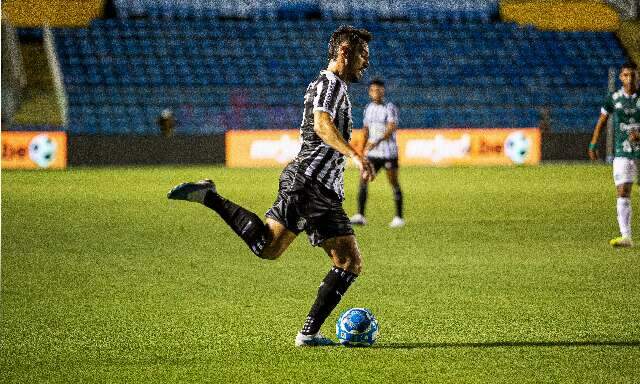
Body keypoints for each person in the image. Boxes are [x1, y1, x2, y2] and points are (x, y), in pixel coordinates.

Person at [167, 25, 374, 346]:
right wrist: (355, 156)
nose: (365, 62)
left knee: (269, 247)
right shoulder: (329, 84)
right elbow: (321, 125)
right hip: (311, 184)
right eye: (362, 55)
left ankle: (210, 197)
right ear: (345, 52)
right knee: (348, 261)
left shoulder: (336, 88)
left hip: (312, 185)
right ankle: (307, 333)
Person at [588, 61, 640, 248]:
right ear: (620, 77)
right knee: (623, 191)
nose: (630, 79)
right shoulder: (613, 98)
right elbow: (602, 121)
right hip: (622, 152)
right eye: (626, 75)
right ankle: (626, 236)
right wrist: (594, 143)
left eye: (633, 75)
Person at [350, 79, 404, 228]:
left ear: (383, 91)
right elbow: (366, 129)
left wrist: (377, 141)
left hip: (388, 153)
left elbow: (391, 127)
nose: (376, 92)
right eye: (373, 90)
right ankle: (360, 215)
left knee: (393, 182)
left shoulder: (389, 107)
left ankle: (399, 217)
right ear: (369, 92)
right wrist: (362, 149)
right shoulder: (368, 108)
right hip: (373, 153)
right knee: (363, 179)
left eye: (379, 90)